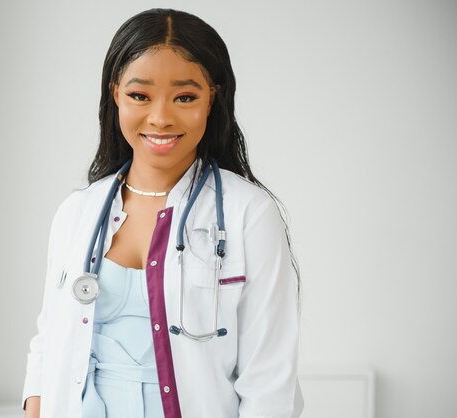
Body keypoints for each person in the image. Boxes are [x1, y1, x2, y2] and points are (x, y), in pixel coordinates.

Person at [22, 8, 303, 418]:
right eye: (140, 95)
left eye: (185, 97)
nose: (160, 117)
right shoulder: (77, 212)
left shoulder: (249, 215)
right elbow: (48, 346)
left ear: (213, 98)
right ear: (115, 93)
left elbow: (269, 384)